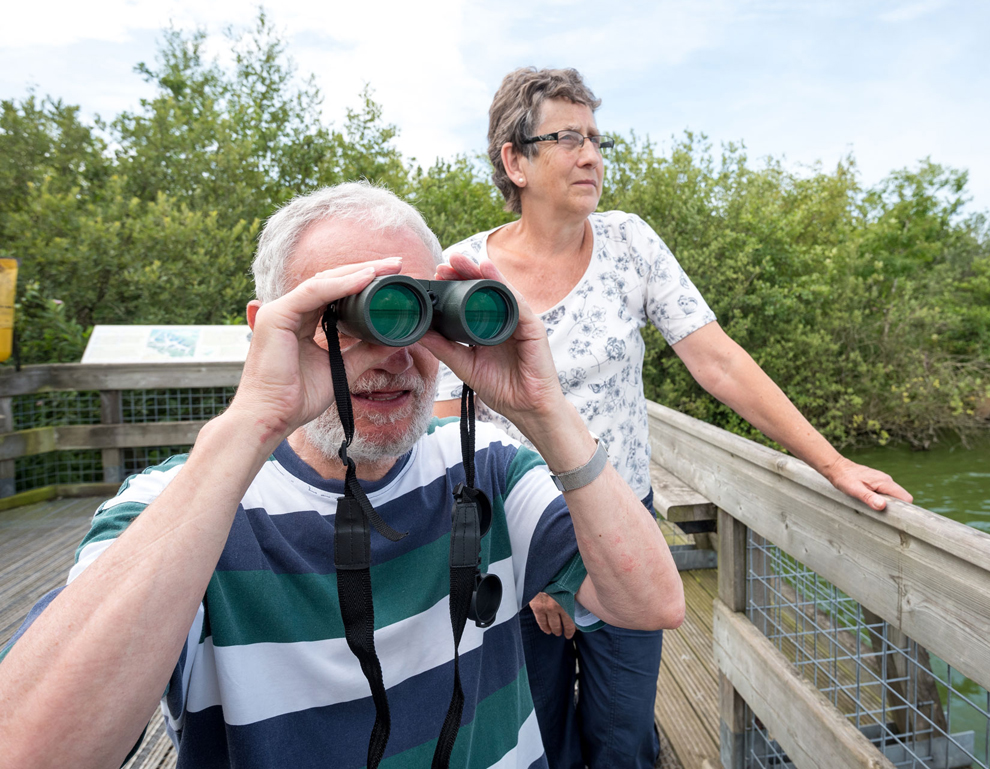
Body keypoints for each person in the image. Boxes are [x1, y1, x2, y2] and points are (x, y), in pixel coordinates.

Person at [0, 182, 684, 769]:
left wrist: (546, 410)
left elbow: (651, 602)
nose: (390, 353)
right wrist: (251, 423)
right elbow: (27, 748)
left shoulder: (491, 470)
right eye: (353, 317)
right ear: (267, 327)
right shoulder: (180, 508)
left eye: (413, 310)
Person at [432, 67, 914, 769]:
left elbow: (718, 362)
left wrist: (832, 462)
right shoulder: (468, 268)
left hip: (625, 529)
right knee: (533, 730)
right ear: (515, 158)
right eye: (568, 138)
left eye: (596, 137)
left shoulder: (629, 241)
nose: (592, 154)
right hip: (517, 536)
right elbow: (451, 419)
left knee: (622, 735)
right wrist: (538, 563)